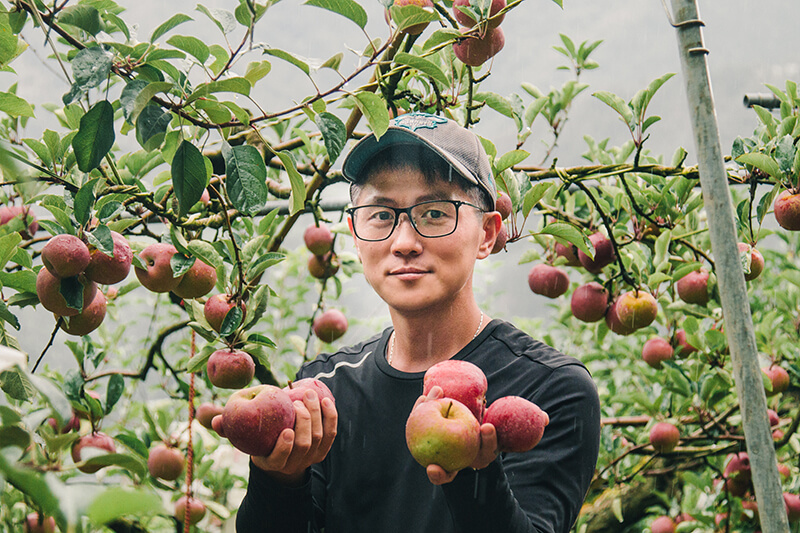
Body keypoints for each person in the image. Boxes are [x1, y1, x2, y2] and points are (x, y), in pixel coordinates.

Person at [235, 112, 601, 533]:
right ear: (354, 233)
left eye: (434, 213)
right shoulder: (326, 388)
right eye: (382, 215)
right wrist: (279, 476)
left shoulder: (550, 390)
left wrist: (472, 472)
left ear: (486, 234)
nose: (404, 242)